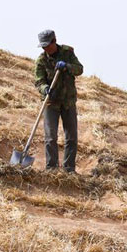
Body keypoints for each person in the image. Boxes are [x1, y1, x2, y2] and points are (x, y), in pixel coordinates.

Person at [34, 29, 83, 173]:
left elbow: (79, 69)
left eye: (47, 45)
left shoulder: (68, 53)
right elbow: (39, 81)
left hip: (68, 101)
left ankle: (69, 169)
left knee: (71, 137)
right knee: (50, 137)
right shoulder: (41, 61)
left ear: (54, 41)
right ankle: (52, 169)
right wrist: (45, 89)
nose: (45, 49)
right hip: (51, 103)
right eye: (43, 46)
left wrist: (67, 67)